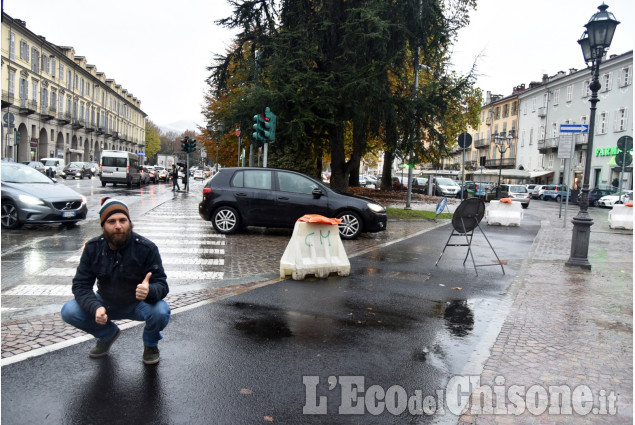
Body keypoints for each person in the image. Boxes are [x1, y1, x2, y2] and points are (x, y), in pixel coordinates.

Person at [61, 198, 170, 365]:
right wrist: (95, 307)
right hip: (106, 303)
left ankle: (150, 344)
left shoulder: (147, 248)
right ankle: (107, 334)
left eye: (122, 220)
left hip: (138, 304)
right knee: (69, 310)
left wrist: (149, 291)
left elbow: (161, 284)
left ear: (129, 222)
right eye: (111, 221)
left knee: (161, 311)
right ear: (103, 225)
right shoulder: (93, 248)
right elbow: (81, 285)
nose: (118, 226)